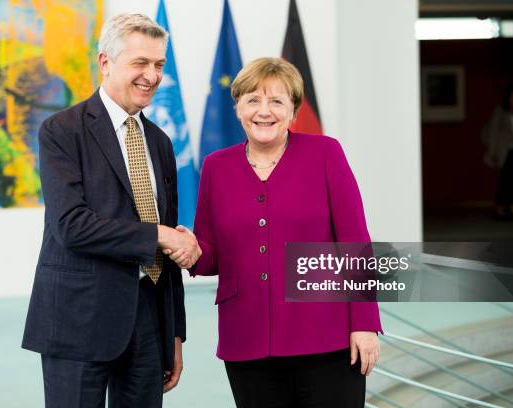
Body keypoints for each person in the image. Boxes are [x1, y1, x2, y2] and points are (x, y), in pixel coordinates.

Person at [167, 57, 382, 407]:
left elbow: (356, 245)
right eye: (253, 100)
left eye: (276, 101)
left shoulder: (326, 154)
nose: (264, 111)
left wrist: (365, 324)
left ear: (293, 110)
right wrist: (189, 249)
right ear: (238, 108)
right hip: (246, 340)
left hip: (326, 337)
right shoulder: (216, 167)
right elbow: (212, 254)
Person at [22, 13, 201, 408]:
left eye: (159, 65)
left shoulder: (160, 142)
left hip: (148, 323)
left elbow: (165, 247)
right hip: (77, 319)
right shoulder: (61, 131)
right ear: (105, 63)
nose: (152, 76)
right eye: (140, 63)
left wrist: (174, 333)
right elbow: (72, 226)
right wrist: (159, 235)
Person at [483, 85, 513, 219]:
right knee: (504, 180)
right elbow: (493, 132)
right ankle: (501, 207)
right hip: (503, 151)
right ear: (508, 98)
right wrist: (492, 152)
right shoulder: (499, 111)